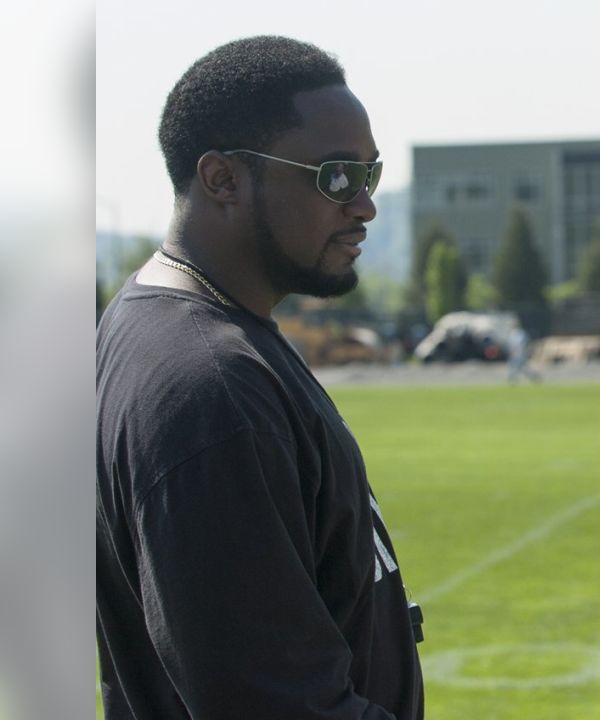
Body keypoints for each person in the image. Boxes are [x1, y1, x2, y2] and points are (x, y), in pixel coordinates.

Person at [96, 36, 424, 719]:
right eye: (337, 177)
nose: (363, 207)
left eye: (370, 176)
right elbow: (276, 705)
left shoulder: (199, 329)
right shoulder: (207, 385)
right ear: (222, 180)